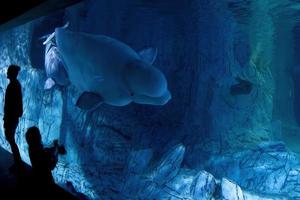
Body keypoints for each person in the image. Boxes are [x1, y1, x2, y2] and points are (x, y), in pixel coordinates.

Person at [25, 126, 66, 197]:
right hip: (45, 179)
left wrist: (53, 148)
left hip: (36, 175)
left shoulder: (31, 148)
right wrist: (55, 155)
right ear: (38, 138)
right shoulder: (40, 152)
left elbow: (44, 152)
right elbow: (51, 166)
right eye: (39, 135)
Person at [3, 64, 23, 172]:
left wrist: (7, 118)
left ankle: (18, 163)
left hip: (11, 117)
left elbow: (10, 105)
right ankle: (18, 162)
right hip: (12, 117)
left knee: (10, 139)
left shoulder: (13, 86)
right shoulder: (15, 85)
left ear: (12, 73)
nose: (7, 73)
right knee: (10, 138)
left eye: (8, 71)